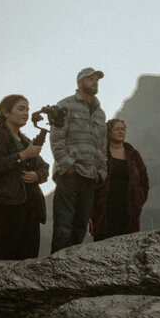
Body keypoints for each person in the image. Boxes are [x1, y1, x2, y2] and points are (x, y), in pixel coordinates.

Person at [0, 95, 49, 261]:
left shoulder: (25, 140)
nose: (26, 113)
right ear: (6, 112)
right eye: (20, 109)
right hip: (3, 206)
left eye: (27, 109)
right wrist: (23, 155)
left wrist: (36, 175)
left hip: (30, 207)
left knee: (28, 258)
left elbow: (44, 168)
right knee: (1, 255)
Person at [49, 67, 109, 253]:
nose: (95, 82)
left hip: (91, 176)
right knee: (63, 224)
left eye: (96, 80)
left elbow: (102, 146)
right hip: (70, 174)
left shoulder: (100, 113)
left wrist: (101, 173)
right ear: (79, 82)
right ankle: (55, 268)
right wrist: (67, 166)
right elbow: (56, 138)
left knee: (81, 224)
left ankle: (72, 267)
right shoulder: (64, 106)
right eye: (90, 79)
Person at [89, 118, 150, 240]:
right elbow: (91, 180)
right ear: (108, 132)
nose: (120, 132)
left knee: (129, 241)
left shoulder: (133, 154)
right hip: (104, 208)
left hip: (128, 207)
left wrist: (139, 200)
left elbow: (144, 180)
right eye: (116, 129)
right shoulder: (100, 153)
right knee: (103, 243)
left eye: (123, 129)